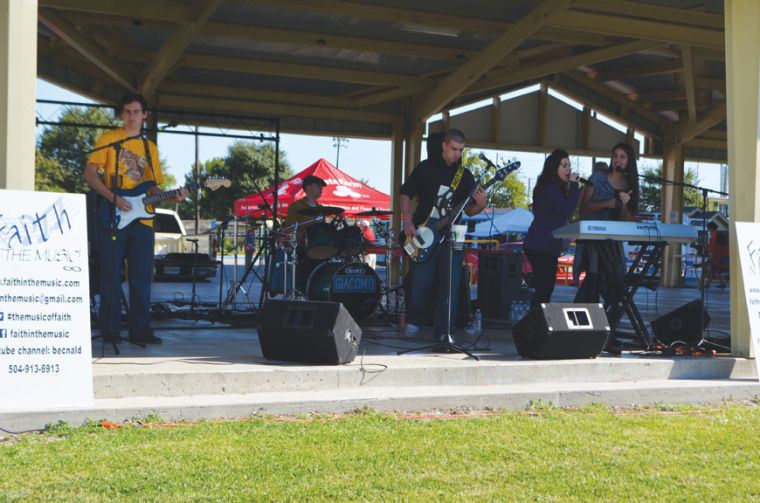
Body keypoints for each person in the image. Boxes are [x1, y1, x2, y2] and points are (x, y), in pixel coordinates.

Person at [85, 93, 188, 346]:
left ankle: (140, 330)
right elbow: (90, 174)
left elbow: (152, 188)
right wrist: (113, 197)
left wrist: (173, 196)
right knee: (110, 276)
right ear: (122, 114)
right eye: (128, 112)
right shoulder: (109, 139)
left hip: (143, 221)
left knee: (142, 277)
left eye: (136, 112)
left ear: (145, 115)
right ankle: (110, 331)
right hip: (113, 215)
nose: (132, 116)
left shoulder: (150, 148)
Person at [400, 129, 487, 341]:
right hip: (424, 233)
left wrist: (481, 204)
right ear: (444, 146)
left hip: (453, 235)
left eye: (461, 150)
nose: (458, 154)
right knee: (421, 282)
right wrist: (407, 221)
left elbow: (469, 211)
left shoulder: (465, 175)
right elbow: (405, 193)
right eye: (454, 149)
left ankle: (444, 331)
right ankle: (414, 321)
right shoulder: (425, 168)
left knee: (451, 286)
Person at [573, 142, 640, 352]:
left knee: (615, 286)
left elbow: (628, 221)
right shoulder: (597, 178)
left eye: (622, 156)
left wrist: (625, 203)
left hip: (612, 242)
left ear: (629, 161)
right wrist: (607, 204)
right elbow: (583, 207)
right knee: (593, 283)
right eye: (615, 155)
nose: (617, 160)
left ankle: (606, 332)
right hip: (593, 239)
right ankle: (585, 332)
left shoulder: (630, 184)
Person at [523, 149, 580, 308]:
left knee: (545, 289)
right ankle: (535, 319)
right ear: (554, 168)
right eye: (564, 165)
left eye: (569, 165)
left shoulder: (555, 190)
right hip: (541, 245)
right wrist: (574, 185)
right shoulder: (550, 190)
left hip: (546, 246)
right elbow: (567, 210)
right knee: (544, 289)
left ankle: (536, 318)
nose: (568, 168)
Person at [283, 174, 328, 291]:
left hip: (320, 249)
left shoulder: (321, 209)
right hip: (302, 250)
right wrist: (304, 239)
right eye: (318, 185)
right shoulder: (295, 207)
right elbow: (290, 229)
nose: (321, 188)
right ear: (308, 188)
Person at [701, 221, 728, 289]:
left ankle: (706, 285)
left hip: (717, 256)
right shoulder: (718, 234)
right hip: (722, 255)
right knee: (716, 271)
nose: (708, 229)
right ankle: (722, 283)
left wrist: (710, 257)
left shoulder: (714, 236)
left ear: (711, 228)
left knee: (710, 270)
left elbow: (713, 248)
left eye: (708, 228)